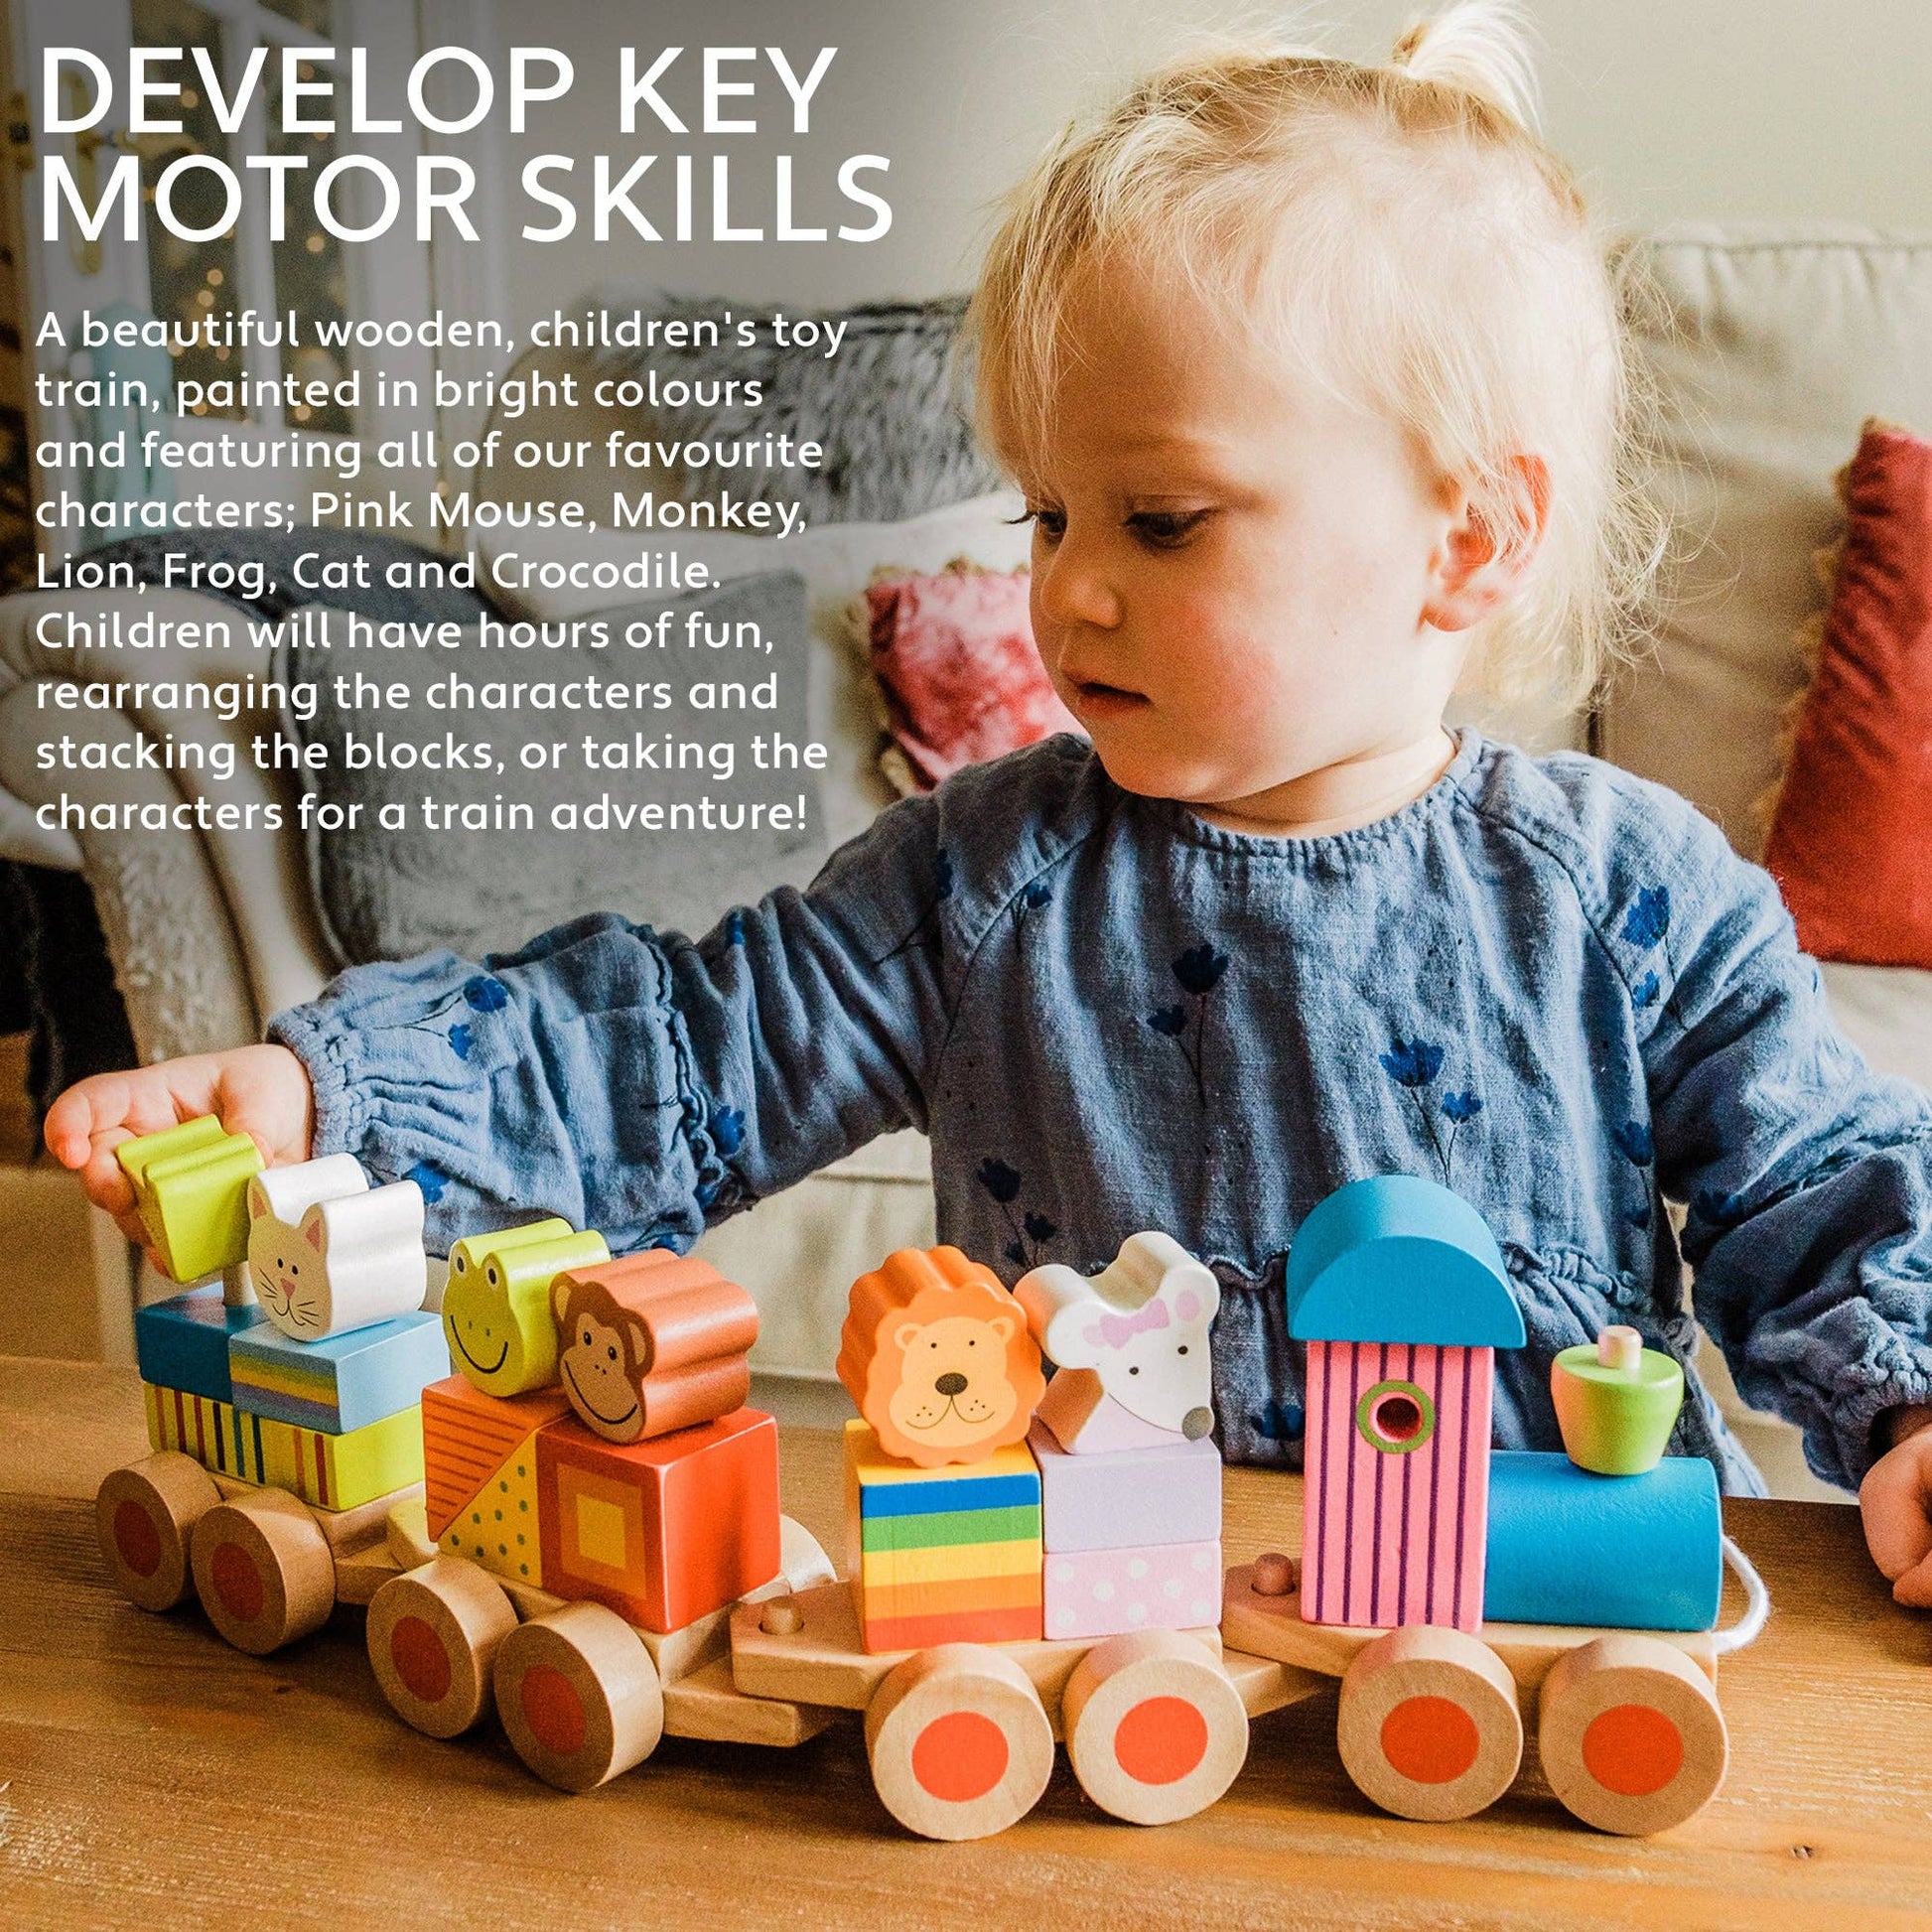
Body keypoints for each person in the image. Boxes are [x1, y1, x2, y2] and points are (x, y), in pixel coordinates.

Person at [45, 2, 1932, 1602]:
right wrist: (328, 1093)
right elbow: (678, 1054)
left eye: (1161, 518)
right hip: (1078, 1619)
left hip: (1512, 1618)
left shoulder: (1629, 896)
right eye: (1047, 513)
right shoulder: (984, 875)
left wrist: (1915, 1410)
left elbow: (1824, 1191)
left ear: (1468, 537)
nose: (1069, 586)